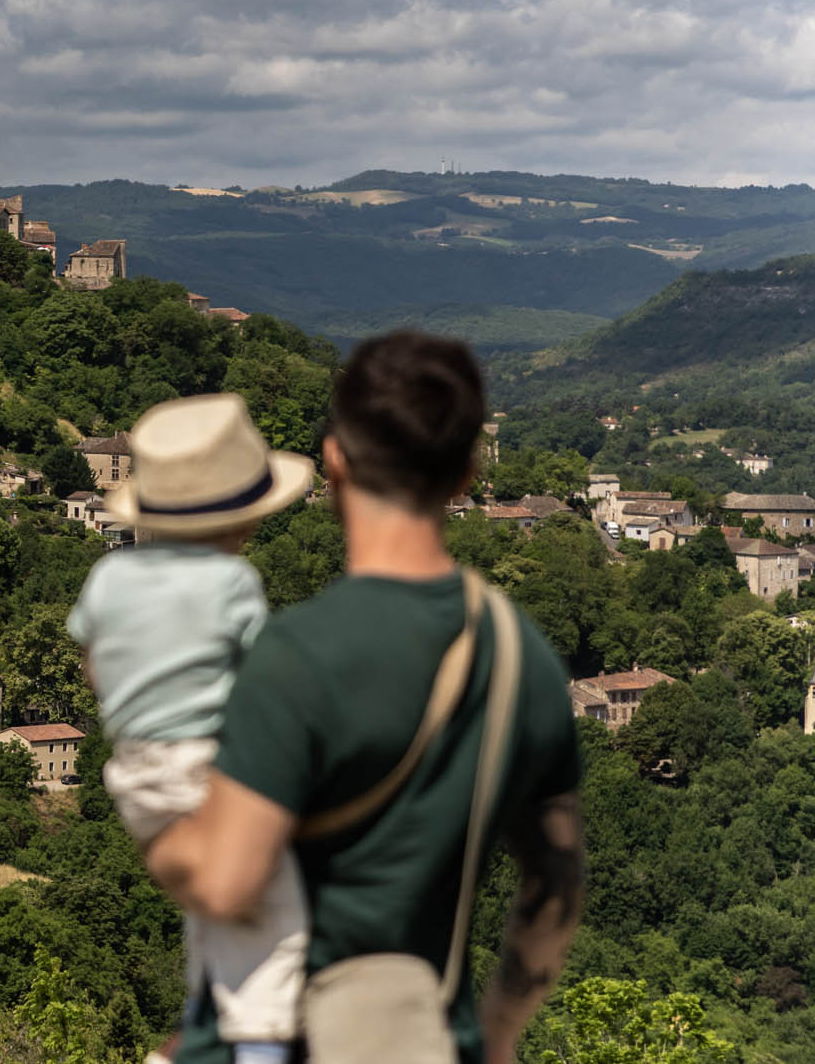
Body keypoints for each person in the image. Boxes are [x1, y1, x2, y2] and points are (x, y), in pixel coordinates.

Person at [147, 331, 585, 1064]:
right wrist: (497, 1036)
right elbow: (554, 886)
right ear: (467, 475)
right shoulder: (520, 657)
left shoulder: (294, 656)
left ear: (334, 460)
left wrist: (150, 817)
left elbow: (225, 883)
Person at [69, 392, 316, 1063]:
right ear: (243, 518)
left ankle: (200, 1021)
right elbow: (262, 682)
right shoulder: (233, 581)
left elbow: (95, 665)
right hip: (210, 768)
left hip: (133, 774)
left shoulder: (108, 573)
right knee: (277, 924)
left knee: (212, 916)